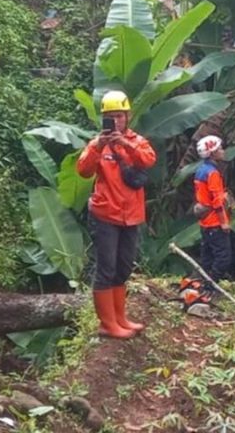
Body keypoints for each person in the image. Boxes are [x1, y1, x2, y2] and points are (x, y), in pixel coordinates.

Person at [76, 90, 156, 339]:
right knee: (106, 269)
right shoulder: (97, 144)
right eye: (110, 117)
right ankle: (107, 324)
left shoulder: (137, 141)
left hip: (131, 215)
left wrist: (126, 144)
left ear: (127, 116)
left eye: (119, 116)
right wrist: (99, 147)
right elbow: (83, 171)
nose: (115, 121)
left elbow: (148, 160)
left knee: (123, 268)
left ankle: (120, 318)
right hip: (105, 214)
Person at [193, 135, 235, 289]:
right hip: (214, 221)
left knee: (207, 255)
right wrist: (224, 222)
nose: (222, 151)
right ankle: (210, 286)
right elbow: (217, 201)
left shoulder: (201, 170)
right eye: (219, 149)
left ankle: (203, 282)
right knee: (223, 257)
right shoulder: (213, 174)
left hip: (204, 221)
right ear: (212, 153)